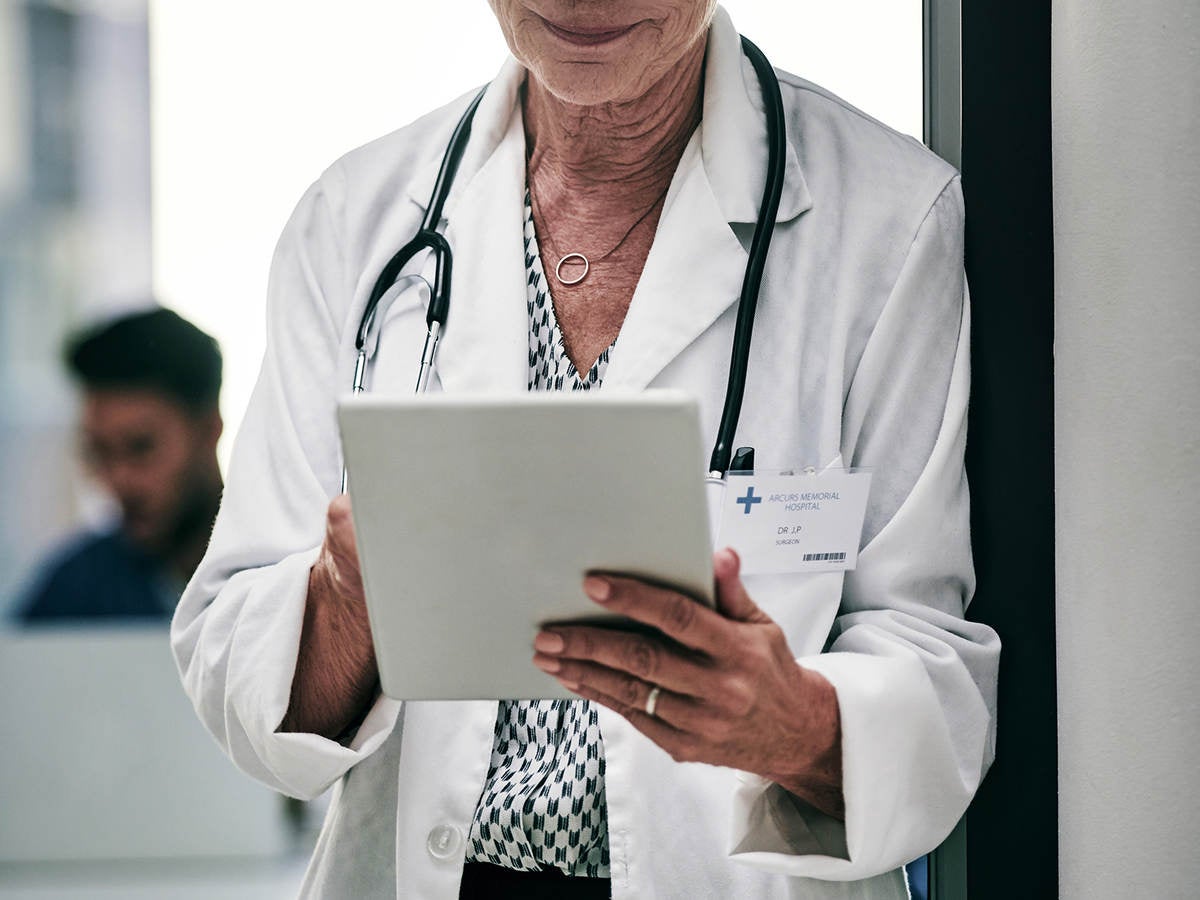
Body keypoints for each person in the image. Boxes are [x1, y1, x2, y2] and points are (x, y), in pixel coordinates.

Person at [172, 3, 1000, 897]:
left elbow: (931, 663)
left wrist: (794, 725)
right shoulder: (354, 218)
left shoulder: (888, 218)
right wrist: (347, 598)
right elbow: (237, 667)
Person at [19, 307, 223, 622]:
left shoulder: (290, 573)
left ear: (209, 430)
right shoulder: (73, 594)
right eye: (99, 451)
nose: (118, 479)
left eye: (140, 447)